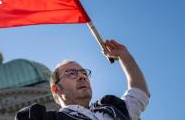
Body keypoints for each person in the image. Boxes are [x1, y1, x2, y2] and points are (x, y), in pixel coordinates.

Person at [15, 39, 150, 120]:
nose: (81, 76)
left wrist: (124, 56)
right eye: (71, 73)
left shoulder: (113, 109)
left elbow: (139, 93)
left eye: (83, 72)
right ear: (56, 89)